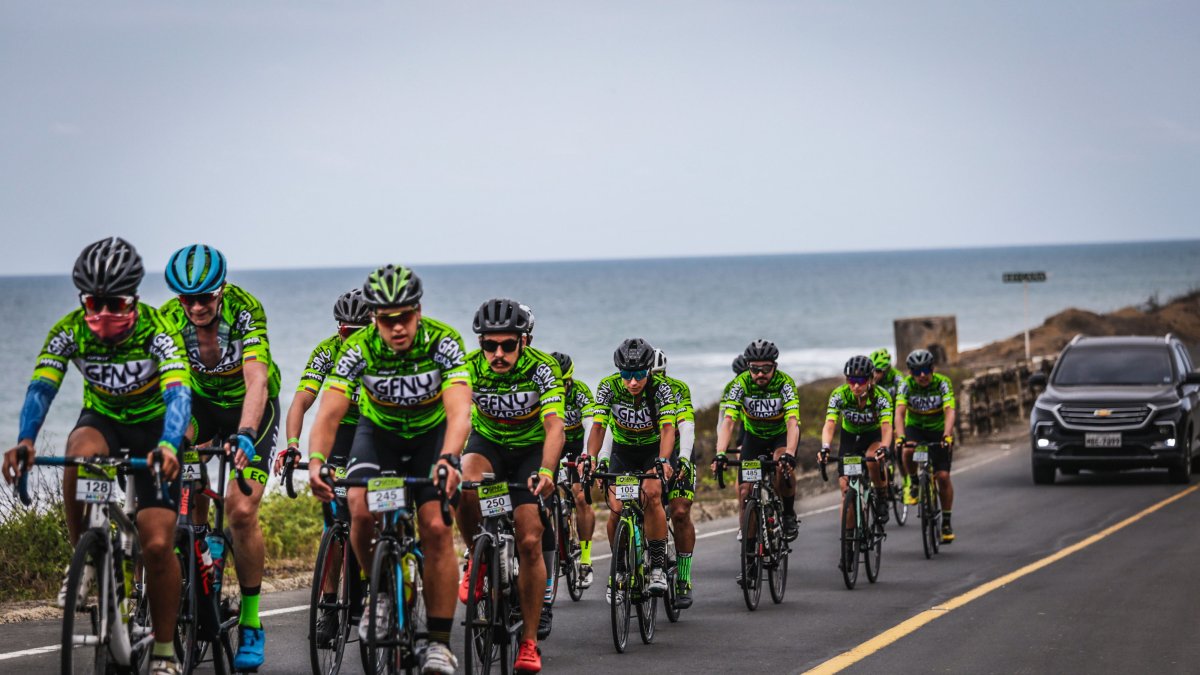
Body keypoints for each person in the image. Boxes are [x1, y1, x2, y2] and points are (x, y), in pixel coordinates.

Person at [2, 237, 192, 675]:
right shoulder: (69, 329)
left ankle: (164, 649)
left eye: (115, 303)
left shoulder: (158, 332)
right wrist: (26, 439)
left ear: (135, 299)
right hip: (103, 420)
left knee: (158, 543)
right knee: (78, 451)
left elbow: (179, 392)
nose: (103, 313)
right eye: (94, 302)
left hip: (154, 429)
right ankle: (84, 558)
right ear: (83, 299)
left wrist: (168, 443)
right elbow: (41, 386)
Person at [305, 264, 468, 674]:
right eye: (386, 319)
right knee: (357, 505)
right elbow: (329, 411)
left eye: (405, 317)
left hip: (431, 435)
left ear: (418, 310)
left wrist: (450, 457)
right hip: (380, 435)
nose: (396, 328)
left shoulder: (443, 341)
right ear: (374, 318)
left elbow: (459, 407)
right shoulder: (358, 347)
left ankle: (439, 642)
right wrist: (316, 461)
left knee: (434, 525)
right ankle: (378, 596)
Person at [160, 244, 281, 670]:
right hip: (201, 408)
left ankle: (251, 622)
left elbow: (257, 379)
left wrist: (246, 435)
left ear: (221, 290)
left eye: (205, 297)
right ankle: (197, 558)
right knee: (178, 470)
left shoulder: (246, 310)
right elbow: (168, 385)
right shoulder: (169, 319)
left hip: (250, 409)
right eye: (186, 299)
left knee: (240, 509)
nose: (196, 306)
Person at [457, 299, 565, 672]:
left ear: (524, 341)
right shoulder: (468, 369)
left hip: (530, 451)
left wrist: (548, 471)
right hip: (488, 445)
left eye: (507, 345)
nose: (497, 354)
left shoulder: (543, 369)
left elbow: (555, 427)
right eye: (489, 345)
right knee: (464, 481)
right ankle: (476, 556)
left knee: (530, 539)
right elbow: (451, 417)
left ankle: (530, 642)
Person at [274, 288, 370, 645]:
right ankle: (330, 607)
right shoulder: (329, 351)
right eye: (345, 332)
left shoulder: (387, 350)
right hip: (343, 429)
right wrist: (294, 445)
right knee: (335, 516)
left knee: (370, 506)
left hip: (377, 428)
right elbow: (301, 401)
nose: (351, 339)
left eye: (359, 331)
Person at [587, 338, 677, 602]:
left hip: (651, 450)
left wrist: (663, 460)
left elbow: (668, 428)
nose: (633, 382)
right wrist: (590, 458)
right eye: (627, 375)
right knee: (616, 506)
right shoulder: (608, 387)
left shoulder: (662, 390)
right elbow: (598, 427)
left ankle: (658, 566)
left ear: (648, 370)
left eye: (638, 375)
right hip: (623, 452)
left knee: (652, 492)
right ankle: (621, 569)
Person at [713, 340, 801, 543]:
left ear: (774, 367)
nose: (760, 374)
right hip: (754, 438)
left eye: (766, 369)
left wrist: (790, 452)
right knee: (745, 491)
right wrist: (720, 453)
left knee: (782, 466)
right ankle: (750, 556)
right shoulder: (740, 383)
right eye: (755, 369)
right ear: (748, 368)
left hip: (780, 435)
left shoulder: (785, 383)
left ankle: (788, 514)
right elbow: (728, 421)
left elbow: (792, 421)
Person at [818, 355, 895, 527]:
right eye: (851, 380)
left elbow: (886, 427)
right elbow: (830, 424)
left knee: (872, 458)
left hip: (873, 436)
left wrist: (884, 447)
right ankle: (849, 543)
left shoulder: (881, 397)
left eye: (861, 380)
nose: (856, 385)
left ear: (870, 379)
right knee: (846, 490)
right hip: (850, 438)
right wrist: (825, 447)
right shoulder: (839, 395)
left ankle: (882, 496)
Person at [649, 348, 699, 608]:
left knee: (679, 512)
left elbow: (686, 426)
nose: (654, 380)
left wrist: (684, 457)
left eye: (658, 374)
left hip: (678, 453)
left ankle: (684, 578)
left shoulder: (677, 390)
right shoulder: (631, 392)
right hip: (646, 453)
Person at [895, 349, 958, 542]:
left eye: (925, 370)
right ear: (910, 372)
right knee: (907, 450)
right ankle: (914, 483)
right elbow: (899, 413)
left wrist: (947, 435)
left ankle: (946, 522)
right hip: (916, 427)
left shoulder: (942, 383)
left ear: (932, 368)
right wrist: (900, 436)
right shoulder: (906, 385)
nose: (921, 375)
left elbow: (949, 411)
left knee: (943, 476)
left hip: (939, 430)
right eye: (916, 371)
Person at [551, 351, 597, 591]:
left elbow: (590, 424)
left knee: (580, 496)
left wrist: (587, 456)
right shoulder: (543, 390)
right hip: (555, 442)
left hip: (578, 445)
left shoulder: (580, 392)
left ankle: (586, 559)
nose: (559, 388)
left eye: (563, 384)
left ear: (569, 380)